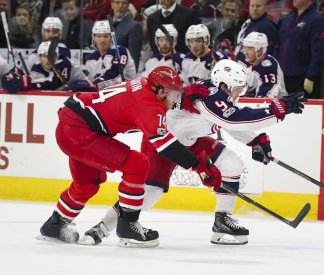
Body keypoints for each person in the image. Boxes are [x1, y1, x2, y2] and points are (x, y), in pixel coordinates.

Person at [78, 59, 307, 246]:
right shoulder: (207, 96)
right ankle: (102, 228)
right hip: (164, 143)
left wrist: (256, 141)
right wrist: (278, 108)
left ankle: (222, 222)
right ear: (224, 85)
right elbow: (233, 120)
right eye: (237, 89)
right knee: (149, 194)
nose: (239, 94)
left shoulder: (218, 95)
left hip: (190, 140)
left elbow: (230, 120)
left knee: (231, 165)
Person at [37, 66, 222, 248]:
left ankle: (55, 225)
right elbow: (165, 146)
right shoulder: (150, 105)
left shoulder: (144, 83)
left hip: (71, 125)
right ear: (159, 90)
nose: (174, 100)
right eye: (172, 94)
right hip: (80, 131)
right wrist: (199, 165)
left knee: (87, 184)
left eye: (176, 93)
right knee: (137, 164)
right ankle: (128, 226)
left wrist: (184, 94)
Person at [276, 0, 324, 99]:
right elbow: (278, 46)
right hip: (283, 79)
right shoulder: (287, 19)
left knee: (303, 113)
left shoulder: (317, 20)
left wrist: (311, 77)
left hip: (303, 80)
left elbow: (320, 52)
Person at [85, 20, 137, 90]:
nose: (102, 40)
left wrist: (94, 85)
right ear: (94, 38)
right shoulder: (91, 58)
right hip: (101, 95)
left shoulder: (120, 51)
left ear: (111, 38)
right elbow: (90, 81)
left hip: (125, 93)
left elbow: (115, 76)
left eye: (106, 36)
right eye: (99, 36)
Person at [237, 32, 287, 98]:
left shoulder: (269, 67)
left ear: (260, 51)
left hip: (273, 105)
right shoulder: (242, 57)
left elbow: (265, 100)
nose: (245, 52)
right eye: (244, 47)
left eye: (249, 48)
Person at [111, 0, 144, 71]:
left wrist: (130, 79)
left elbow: (134, 57)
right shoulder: (105, 23)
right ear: (112, 5)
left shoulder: (134, 26)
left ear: (128, 6)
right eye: (117, 2)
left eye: (123, 3)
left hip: (122, 73)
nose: (120, 6)